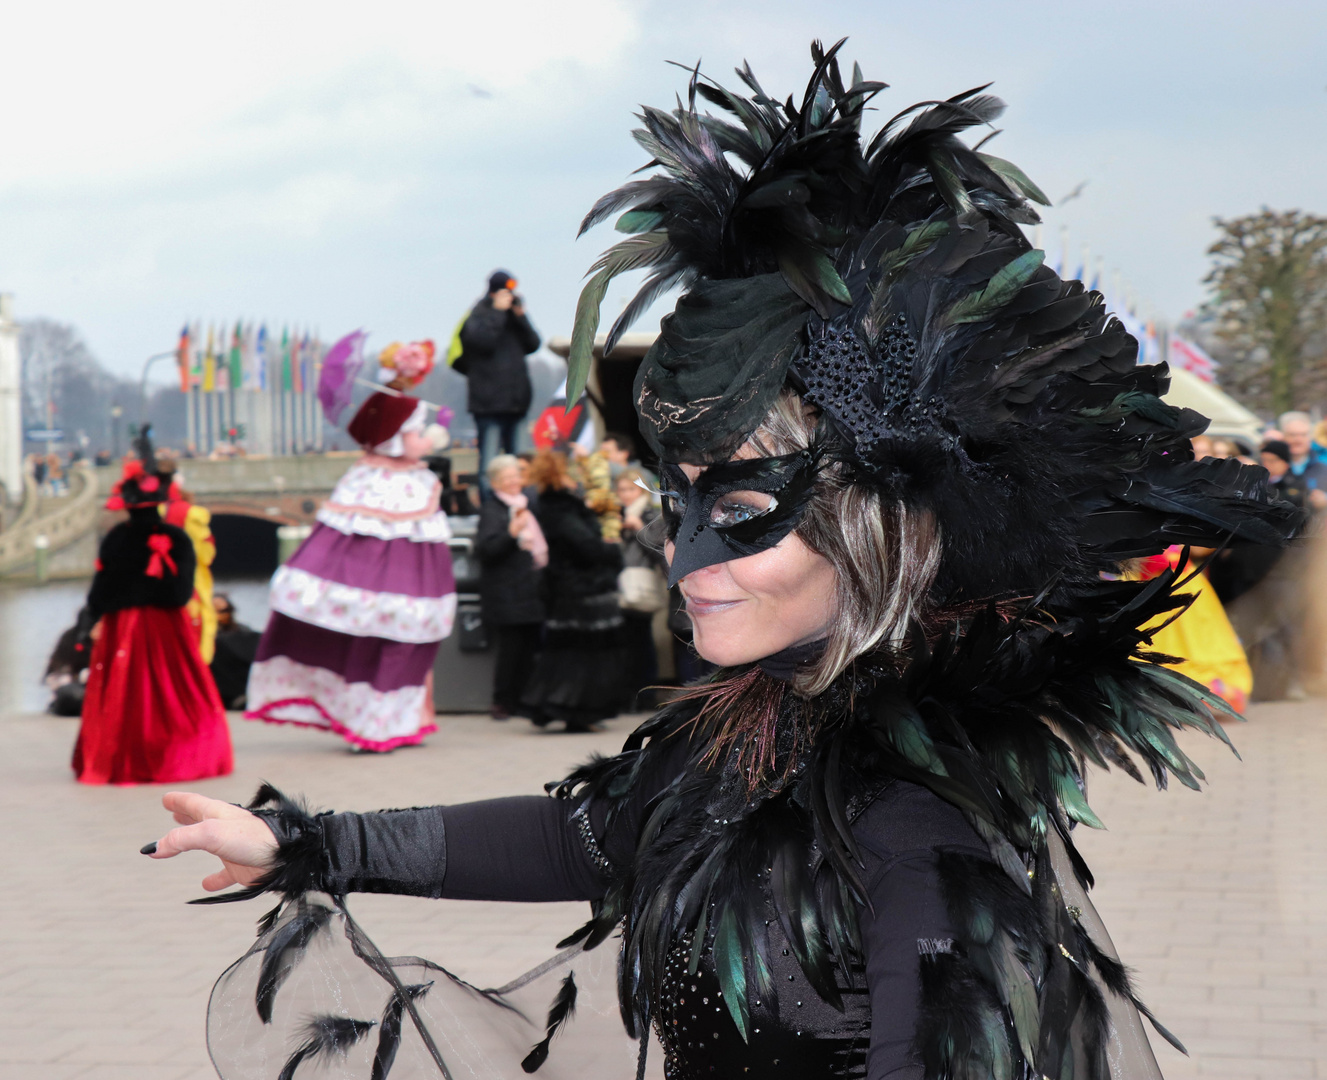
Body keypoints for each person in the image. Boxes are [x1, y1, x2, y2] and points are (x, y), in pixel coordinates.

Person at [146, 44, 1301, 1080]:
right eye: (675, 500)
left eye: (741, 509)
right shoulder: (760, 727)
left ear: (880, 531)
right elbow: (590, 832)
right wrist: (305, 845)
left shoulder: (913, 821)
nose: (687, 553)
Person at [245, 341, 457, 752]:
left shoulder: (388, 469)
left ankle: (397, 720)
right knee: (390, 629)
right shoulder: (387, 471)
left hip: (391, 591)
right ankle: (373, 725)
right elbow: (409, 449)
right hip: (390, 591)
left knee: (398, 633)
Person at [75, 432, 231, 784]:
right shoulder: (177, 538)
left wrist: (97, 617)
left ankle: (121, 758)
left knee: (123, 696)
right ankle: (179, 754)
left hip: (122, 627)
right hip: (166, 626)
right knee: (177, 693)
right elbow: (180, 592)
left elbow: (99, 592)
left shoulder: (115, 538)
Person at [517, 449, 629, 731]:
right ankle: (575, 711)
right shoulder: (560, 506)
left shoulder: (557, 504)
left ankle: (570, 708)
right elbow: (585, 544)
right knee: (584, 652)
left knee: (573, 650)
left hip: (574, 585)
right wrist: (612, 549)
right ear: (561, 474)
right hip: (580, 587)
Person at [475, 453, 547, 720]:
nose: (514, 481)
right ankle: (503, 701)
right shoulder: (492, 510)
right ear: (495, 483)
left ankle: (522, 700)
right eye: (507, 478)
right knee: (511, 649)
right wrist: (512, 532)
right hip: (507, 591)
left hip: (528, 588)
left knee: (528, 647)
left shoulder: (528, 504)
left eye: (516, 475)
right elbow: (487, 549)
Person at [458, 270, 542, 484]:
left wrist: (520, 316)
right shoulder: (479, 314)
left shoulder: (514, 316)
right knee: (490, 464)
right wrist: (497, 313)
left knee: (523, 462)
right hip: (488, 405)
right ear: (494, 292)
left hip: (517, 403)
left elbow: (533, 344)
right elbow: (480, 343)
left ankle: (524, 506)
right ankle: (491, 510)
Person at [616, 467, 666, 707]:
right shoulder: (614, 515)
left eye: (630, 489)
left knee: (642, 641)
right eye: (622, 489)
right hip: (618, 584)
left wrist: (638, 529)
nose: (626, 494)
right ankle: (626, 694)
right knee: (624, 642)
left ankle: (644, 696)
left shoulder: (650, 514)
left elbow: (659, 552)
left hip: (639, 583)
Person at [208, 593, 261, 711]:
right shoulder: (201, 634)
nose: (218, 615)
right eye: (213, 611)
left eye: (222, 611)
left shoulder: (243, 631)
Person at [43, 606, 97, 717]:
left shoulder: (104, 636)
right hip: (67, 679)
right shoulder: (69, 637)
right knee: (69, 685)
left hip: (91, 680)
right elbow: (58, 669)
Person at [1277, 410, 1327, 511]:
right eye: (1292, 435)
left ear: (1310, 437)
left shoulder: (1323, 467)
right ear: (1282, 436)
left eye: (1303, 435)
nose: (1298, 440)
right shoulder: (1270, 465)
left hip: (1313, 524)